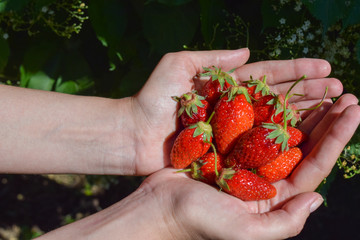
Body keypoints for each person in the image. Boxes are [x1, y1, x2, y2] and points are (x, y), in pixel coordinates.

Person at [0, 48, 359, 239]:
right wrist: (167, 219)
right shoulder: (230, 129)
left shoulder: (247, 135)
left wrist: (127, 129)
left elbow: (242, 149)